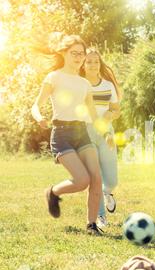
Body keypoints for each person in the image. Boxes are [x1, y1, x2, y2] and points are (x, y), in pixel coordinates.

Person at [31, 33, 111, 235]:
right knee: (82, 180)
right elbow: (36, 105)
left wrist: (105, 132)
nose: (78, 57)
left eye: (81, 54)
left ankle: (91, 225)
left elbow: (93, 115)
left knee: (96, 178)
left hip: (81, 132)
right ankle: (53, 192)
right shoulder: (54, 77)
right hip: (62, 134)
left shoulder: (84, 84)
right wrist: (39, 116)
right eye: (74, 53)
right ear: (64, 53)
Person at [80, 47, 121, 228]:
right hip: (85, 132)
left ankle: (108, 192)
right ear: (83, 64)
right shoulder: (79, 84)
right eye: (89, 61)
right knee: (94, 176)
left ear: (100, 64)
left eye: (96, 61)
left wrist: (109, 116)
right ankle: (100, 216)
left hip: (107, 132)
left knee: (111, 179)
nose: (93, 65)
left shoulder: (107, 85)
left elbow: (116, 109)